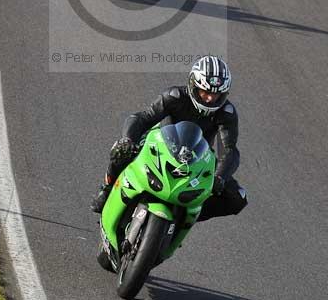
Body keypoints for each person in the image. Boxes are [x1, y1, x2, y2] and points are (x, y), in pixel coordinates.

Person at [91, 55, 248, 221]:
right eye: (205, 91)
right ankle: (107, 188)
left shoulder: (227, 112)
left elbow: (229, 150)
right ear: (194, 85)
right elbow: (142, 118)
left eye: (216, 94)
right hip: (161, 145)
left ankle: (185, 216)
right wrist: (128, 139)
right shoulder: (175, 96)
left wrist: (219, 177)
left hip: (197, 157)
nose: (210, 98)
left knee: (237, 198)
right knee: (121, 149)